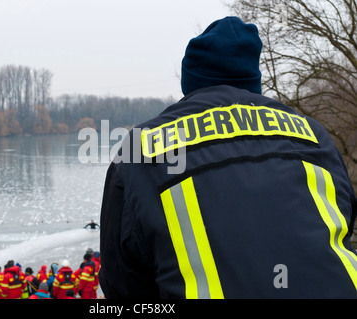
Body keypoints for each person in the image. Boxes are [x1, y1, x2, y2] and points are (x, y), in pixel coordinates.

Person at [99, 16, 357, 299]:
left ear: (191, 84)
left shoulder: (142, 144)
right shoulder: (313, 133)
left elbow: (121, 283)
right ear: (254, 83)